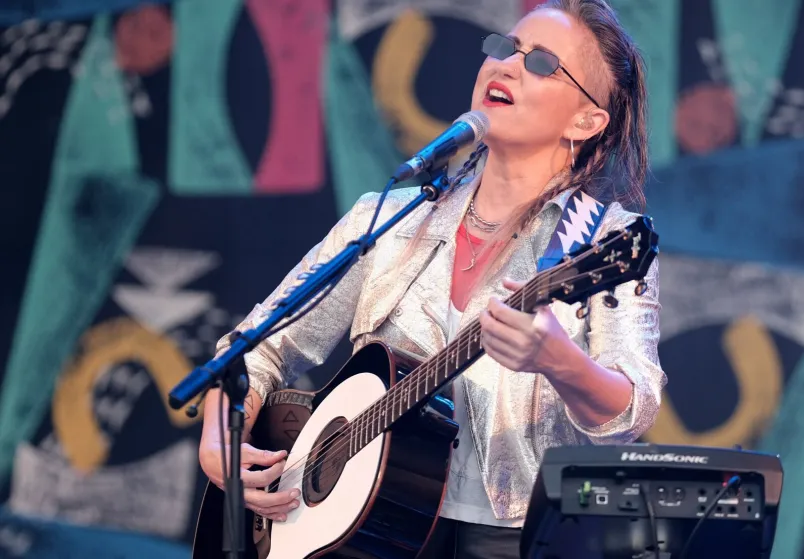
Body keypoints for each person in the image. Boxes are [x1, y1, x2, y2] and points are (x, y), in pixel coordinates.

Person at [197, 0, 666, 557]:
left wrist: (561, 362)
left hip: (515, 534)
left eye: (541, 63)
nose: (507, 66)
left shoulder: (604, 240)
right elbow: (258, 348)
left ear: (585, 121)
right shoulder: (389, 220)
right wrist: (221, 436)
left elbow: (633, 408)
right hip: (368, 527)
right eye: (505, 48)